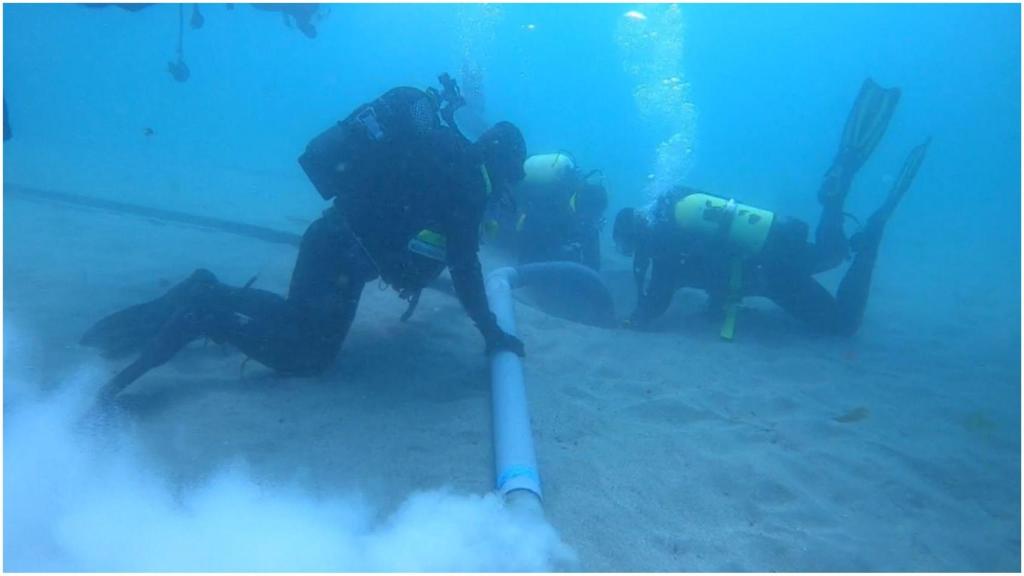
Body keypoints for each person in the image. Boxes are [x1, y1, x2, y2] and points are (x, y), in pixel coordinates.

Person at [81, 78, 528, 401]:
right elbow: (465, 267)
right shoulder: (470, 184)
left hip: (331, 238)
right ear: (502, 164)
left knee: (295, 319)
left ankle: (207, 289)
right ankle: (205, 314)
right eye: (512, 176)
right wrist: (492, 332)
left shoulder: (447, 151)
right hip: (342, 258)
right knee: (308, 358)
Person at [613, 78, 930, 339]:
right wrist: (716, 303)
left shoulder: (663, 245)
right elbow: (715, 246)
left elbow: (657, 298)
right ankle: (837, 190)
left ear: (635, 235)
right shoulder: (677, 202)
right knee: (829, 254)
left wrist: (632, 322)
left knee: (841, 325)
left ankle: (869, 243)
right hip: (776, 237)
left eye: (627, 247)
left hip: (773, 271)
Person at [494, 152, 608, 271]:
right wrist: (563, 252)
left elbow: (593, 267)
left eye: (596, 215)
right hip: (514, 212)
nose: (592, 219)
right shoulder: (552, 208)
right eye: (591, 214)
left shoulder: (587, 221)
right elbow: (526, 258)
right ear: (584, 207)